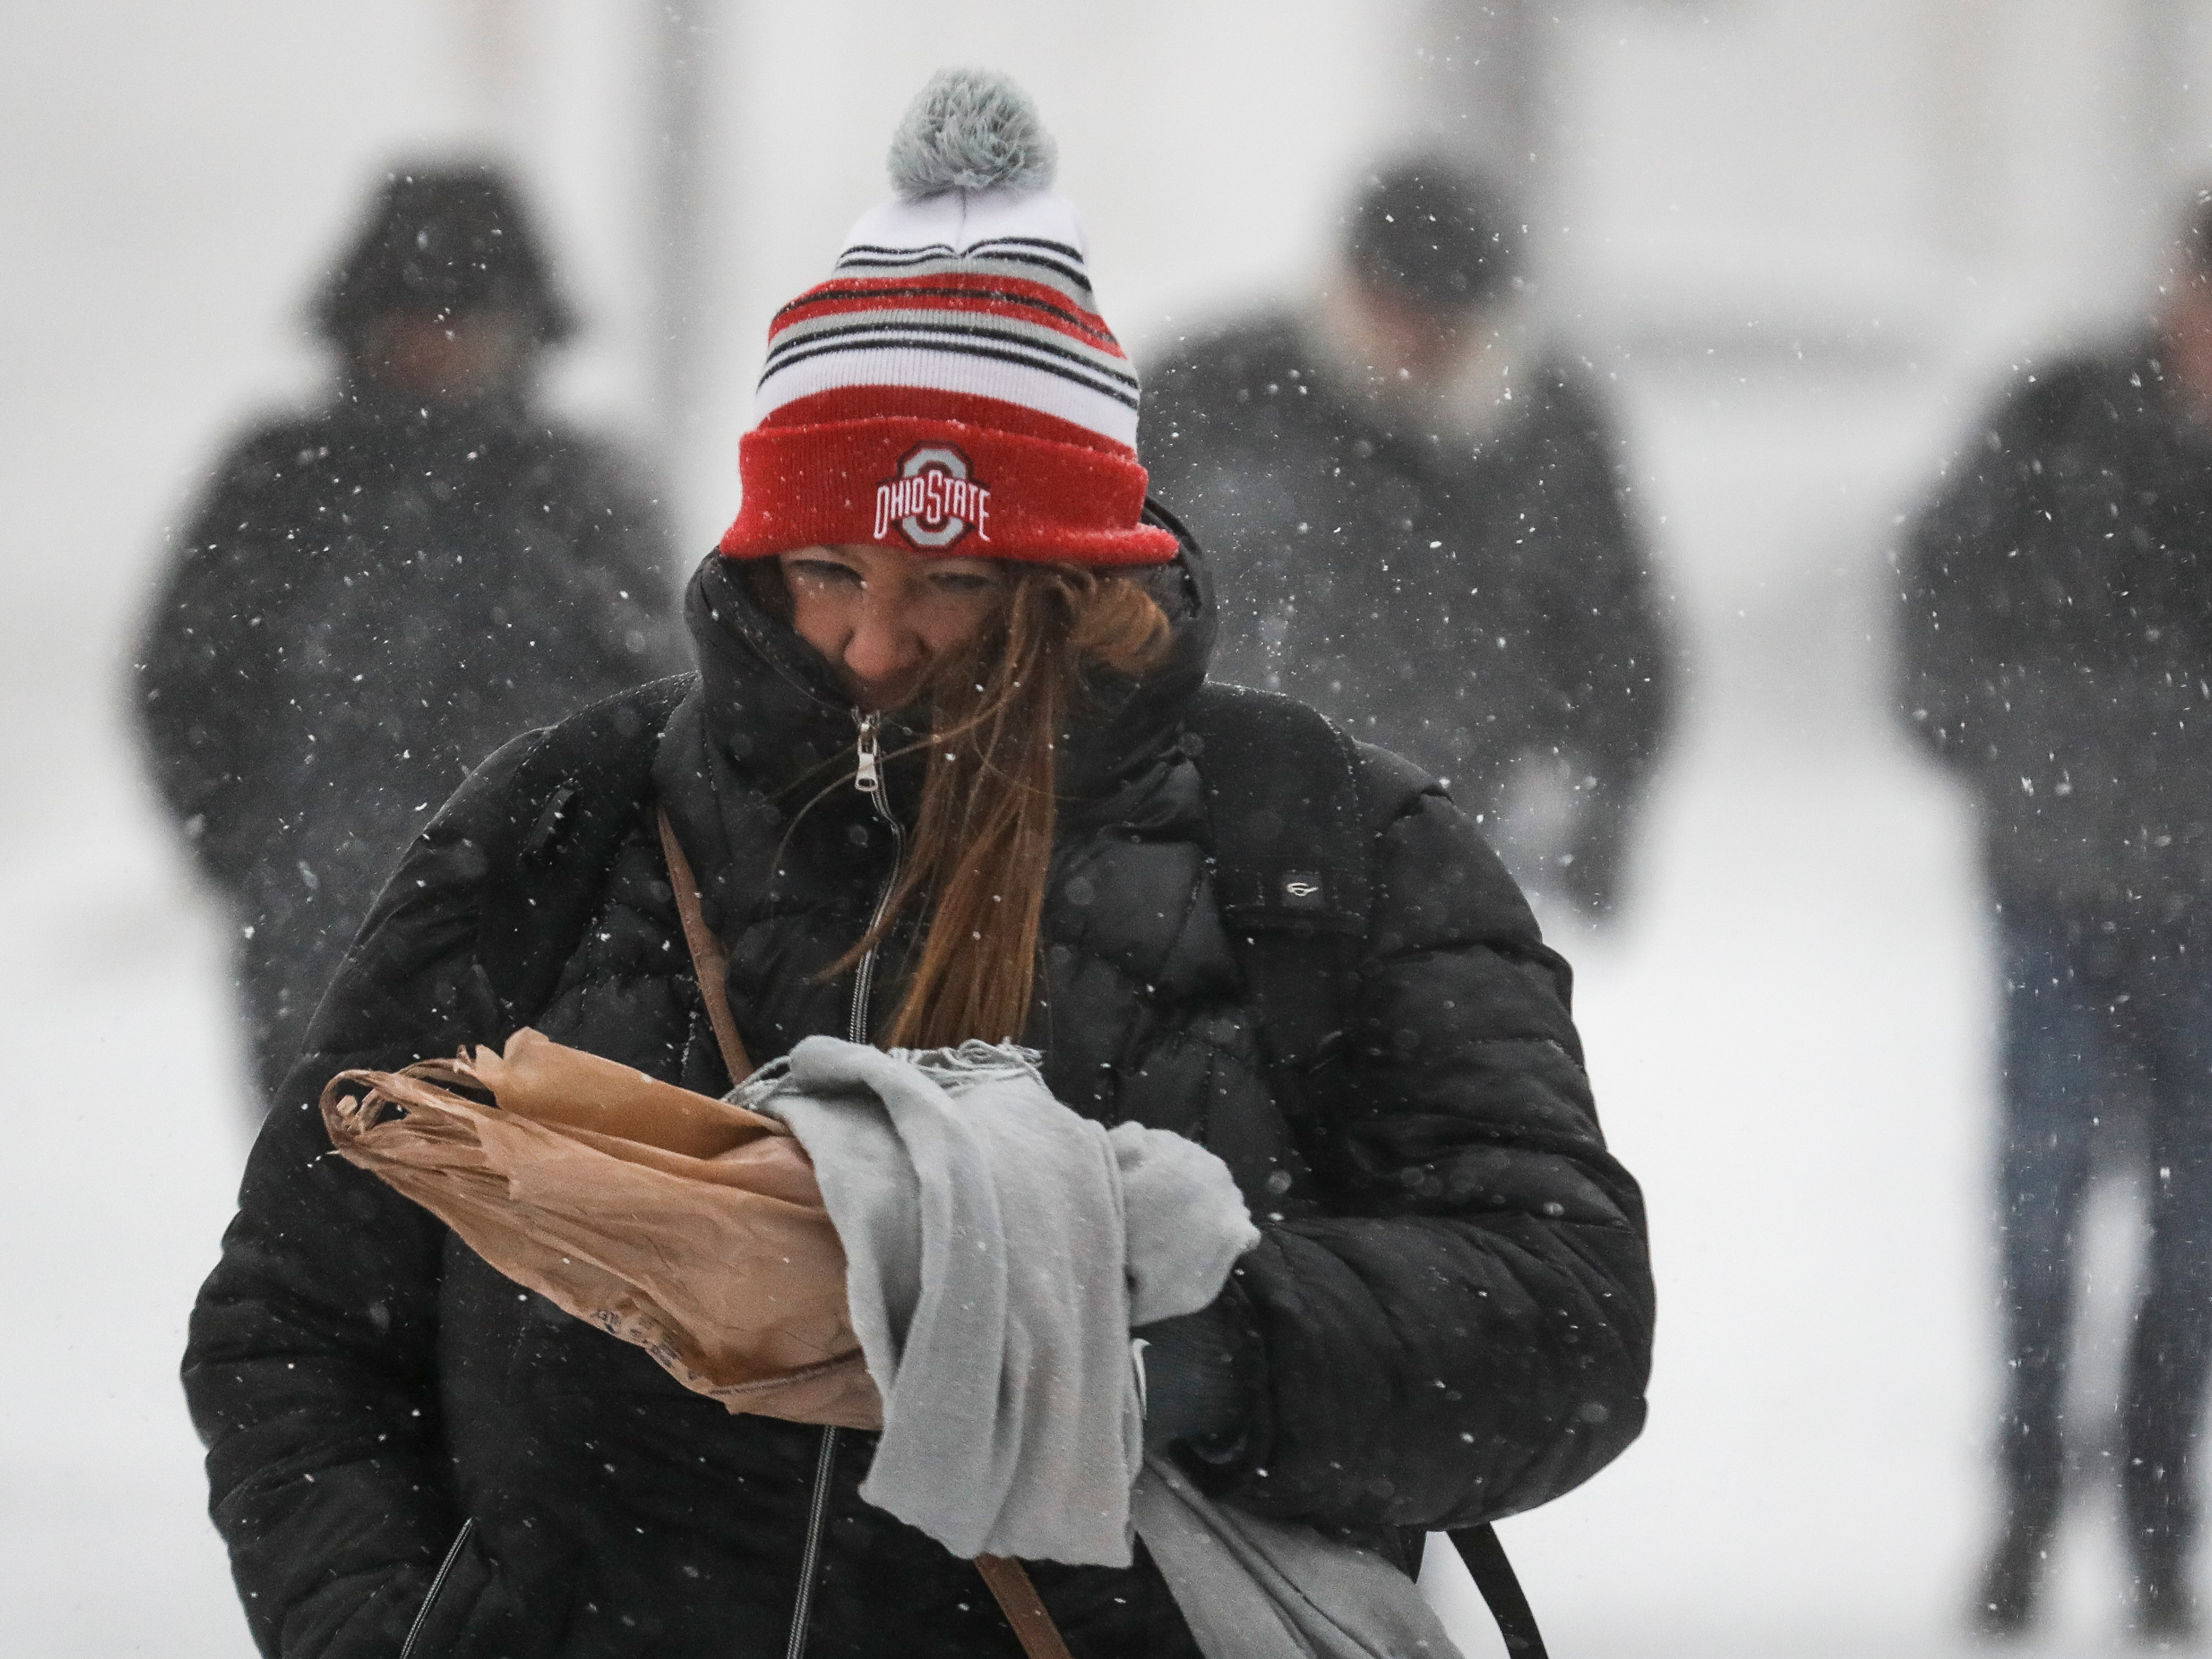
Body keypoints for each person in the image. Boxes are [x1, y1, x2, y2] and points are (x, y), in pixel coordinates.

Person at [183, 74, 1653, 1659]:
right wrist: (386, 1633)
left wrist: (1187, 1361)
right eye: (824, 567)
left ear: (1079, 582)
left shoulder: (1325, 846)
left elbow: (1559, 1315)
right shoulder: (570, 821)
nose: (872, 637)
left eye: (952, 580)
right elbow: (297, 1315)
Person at [135, 164, 685, 1110]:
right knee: (331, 1225)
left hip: (544, 955)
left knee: (528, 1235)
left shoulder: (578, 486)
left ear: (524, 327)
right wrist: (261, 859)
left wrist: (598, 891)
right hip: (321, 949)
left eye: (466, 316)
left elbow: (660, 706)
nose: (437, 342)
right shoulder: (279, 482)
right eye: (413, 314)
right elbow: (183, 686)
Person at [1896, 191, 2212, 1641]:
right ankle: (2027, 1498)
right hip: (2055, 887)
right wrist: (1985, 738)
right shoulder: (2059, 416)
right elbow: (1939, 587)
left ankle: (2157, 1516)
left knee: (2193, 1230)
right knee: (2037, 1208)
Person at [1142, 159, 1673, 920]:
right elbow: (1098, 596)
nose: (1416, 344)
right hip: (1227, 837)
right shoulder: (1215, 393)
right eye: (1397, 310)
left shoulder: (1546, 430)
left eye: (1444, 323)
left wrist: (1600, 808)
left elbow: (1617, 634)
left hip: (1462, 849)